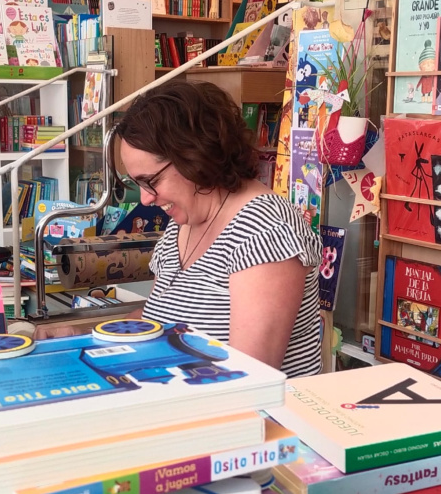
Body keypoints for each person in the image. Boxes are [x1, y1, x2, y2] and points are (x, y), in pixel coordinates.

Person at [110, 80, 323, 377]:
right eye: (137, 183)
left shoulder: (265, 229)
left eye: (152, 181)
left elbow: (248, 376)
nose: (145, 198)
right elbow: (163, 320)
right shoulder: (181, 225)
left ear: (194, 156)